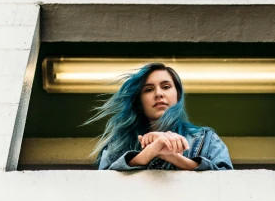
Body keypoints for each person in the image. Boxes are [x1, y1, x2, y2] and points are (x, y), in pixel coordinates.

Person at [89, 62, 233, 171]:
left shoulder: (206, 139)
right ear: (139, 102)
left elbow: (226, 182)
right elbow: (104, 185)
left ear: (178, 95)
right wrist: (149, 152)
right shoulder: (118, 143)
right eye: (149, 89)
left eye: (166, 87)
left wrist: (171, 156)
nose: (158, 94)